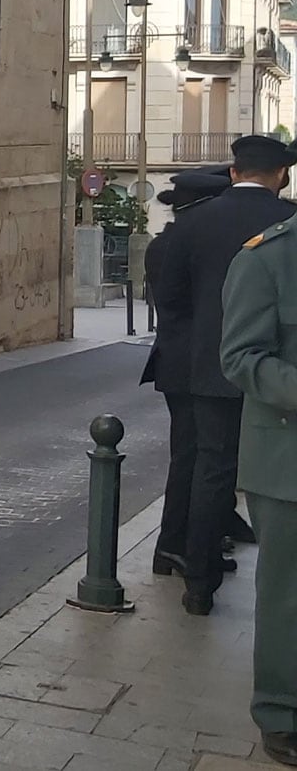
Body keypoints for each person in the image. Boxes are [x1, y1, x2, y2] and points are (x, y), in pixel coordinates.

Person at [157, 133, 297, 615]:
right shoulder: (289, 223)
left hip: (211, 368)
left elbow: (169, 297)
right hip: (279, 372)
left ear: (235, 173)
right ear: (282, 175)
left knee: (211, 468)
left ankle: (199, 583)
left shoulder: (193, 222)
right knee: (275, 476)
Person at [220, 202, 297, 767]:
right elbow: (241, 357)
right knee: (288, 596)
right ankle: (280, 712)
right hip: (287, 459)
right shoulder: (267, 258)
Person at [141, 165, 232, 578]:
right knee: (194, 459)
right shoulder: (183, 246)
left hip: (177, 363)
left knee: (190, 456)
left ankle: (179, 544)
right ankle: (180, 546)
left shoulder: (170, 242)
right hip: (190, 364)